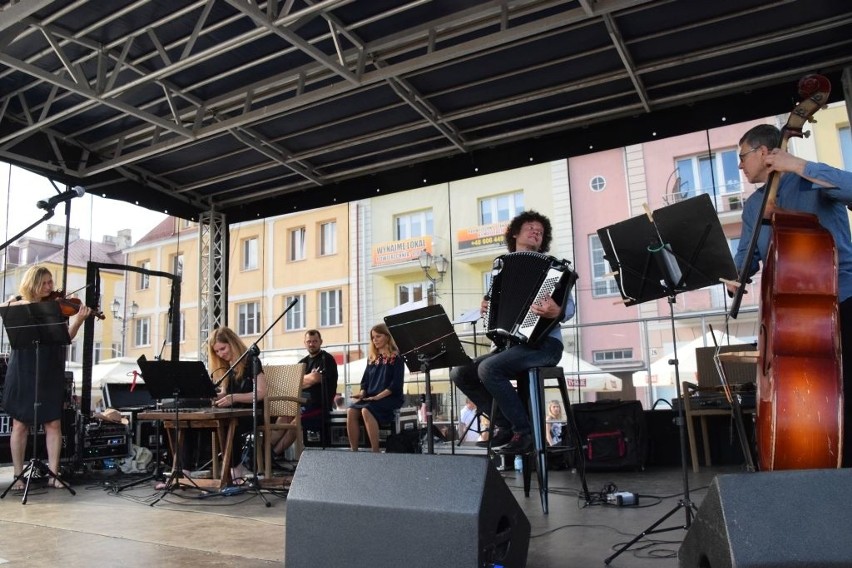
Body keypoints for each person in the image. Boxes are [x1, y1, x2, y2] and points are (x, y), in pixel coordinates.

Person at [732, 123, 852, 468]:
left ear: (765, 153)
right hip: (787, 316)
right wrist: (735, 277)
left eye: (742, 157)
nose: (740, 165)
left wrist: (800, 166)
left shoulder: (812, 180)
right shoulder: (754, 206)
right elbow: (745, 259)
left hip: (840, 298)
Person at [451, 210, 575, 455]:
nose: (536, 232)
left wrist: (556, 310)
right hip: (511, 347)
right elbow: (495, 306)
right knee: (460, 372)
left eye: (540, 231)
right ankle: (505, 425)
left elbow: (570, 308)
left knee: (489, 368)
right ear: (515, 233)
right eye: (530, 227)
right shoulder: (501, 268)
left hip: (544, 346)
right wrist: (487, 308)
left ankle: (525, 431)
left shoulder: (553, 269)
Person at [2, 265, 91, 489]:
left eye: (51, 282)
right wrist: (22, 302)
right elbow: (3, 308)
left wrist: (78, 321)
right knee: (20, 423)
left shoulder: (56, 308)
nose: (51, 287)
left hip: (50, 366)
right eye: (45, 283)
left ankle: (54, 473)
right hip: (23, 366)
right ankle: (18, 475)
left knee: (53, 422)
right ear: (33, 284)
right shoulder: (18, 304)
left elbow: (64, 338)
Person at [208, 326, 267, 480]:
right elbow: (225, 393)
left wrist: (234, 398)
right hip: (234, 412)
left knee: (230, 425)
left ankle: (237, 470)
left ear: (232, 343)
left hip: (252, 413)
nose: (221, 354)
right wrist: (214, 396)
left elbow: (261, 392)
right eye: (217, 351)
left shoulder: (251, 361)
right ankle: (185, 471)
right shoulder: (226, 365)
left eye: (223, 348)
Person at [270, 329, 339, 456]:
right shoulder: (302, 362)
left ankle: (273, 455)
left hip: (319, 407)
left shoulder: (326, 359)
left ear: (321, 342)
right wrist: (308, 379)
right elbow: (293, 383)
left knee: (296, 423)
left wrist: (304, 380)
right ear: (305, 343)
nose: (312, 344)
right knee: (282, 419)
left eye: (315, 341)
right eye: (309, 341)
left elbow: (316, 378)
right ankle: (265, 452)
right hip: (300, 405)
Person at [346, 323, 405, 452]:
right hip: (371, 397)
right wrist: (362, 393)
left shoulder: (397, 358)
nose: (375, 340)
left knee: (366, 410)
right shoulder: (372, 358)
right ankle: (353, 451)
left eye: (378, 336)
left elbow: (395, 385)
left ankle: (375, 452)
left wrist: (377, 397)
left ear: (387, 337)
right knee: (351, 411)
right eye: (373, 337)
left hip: (390, 397)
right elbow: (365, 381)